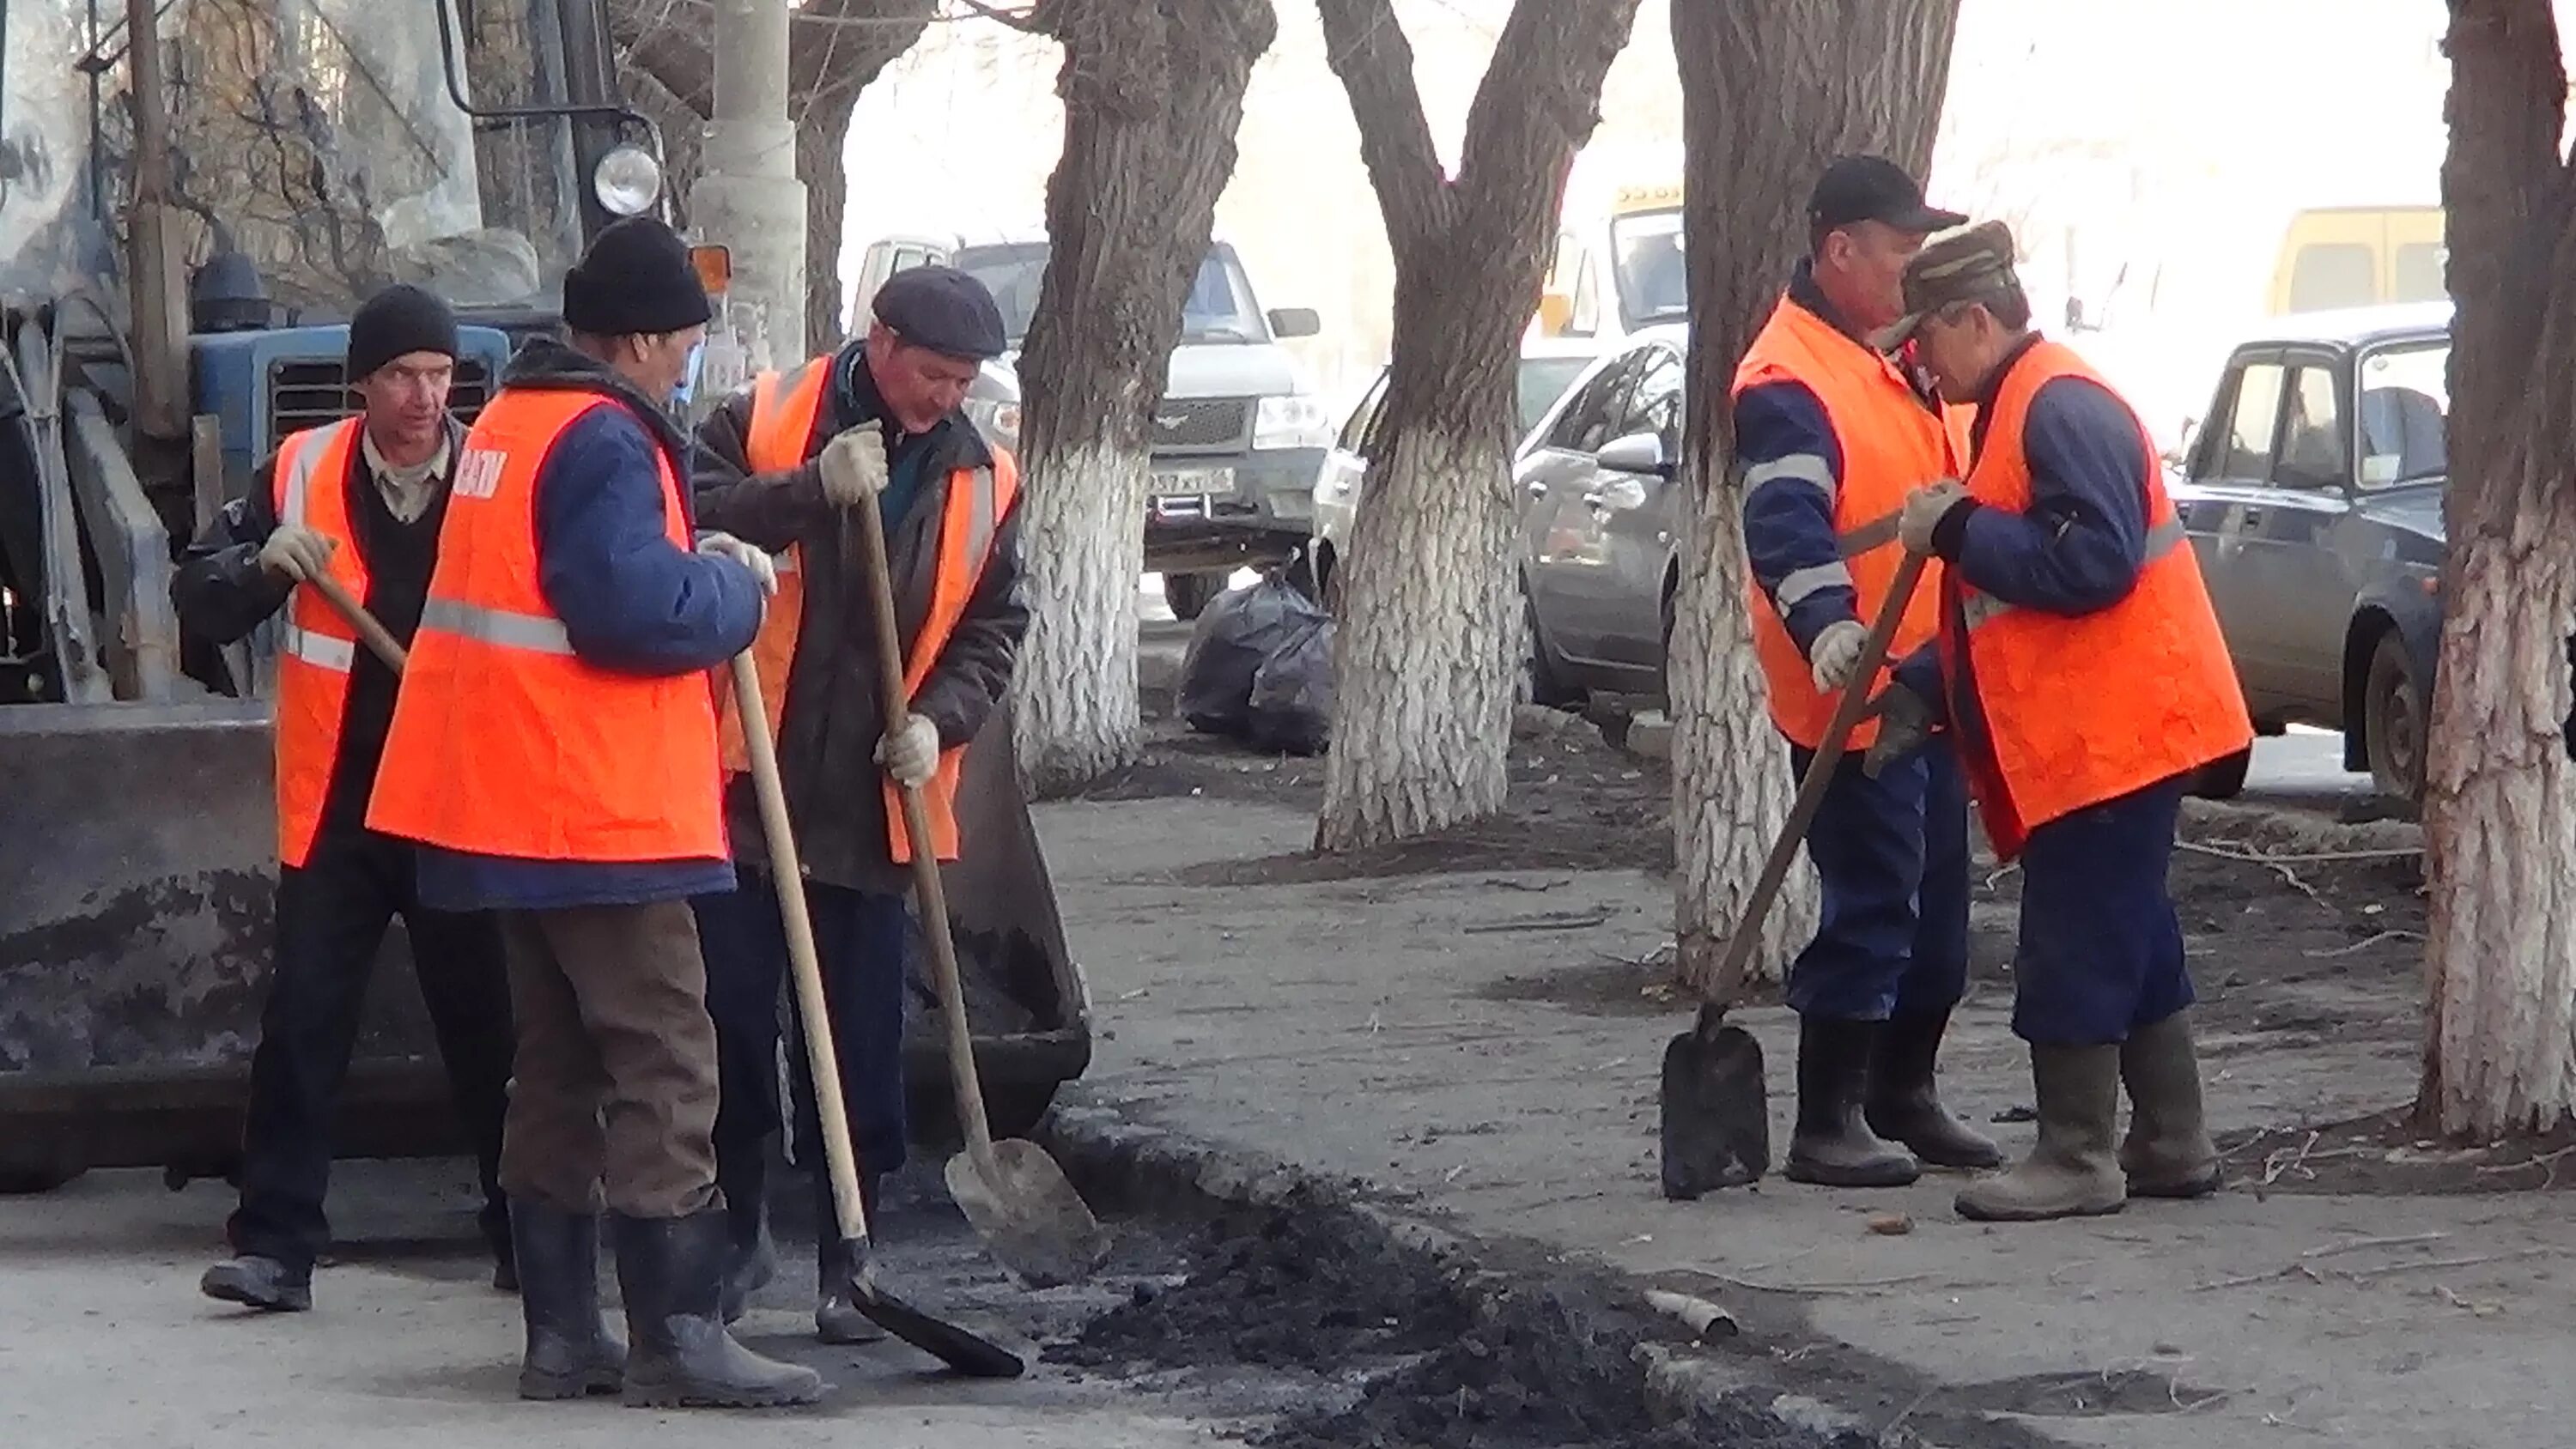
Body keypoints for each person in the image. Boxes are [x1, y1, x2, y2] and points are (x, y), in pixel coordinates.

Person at [366, 217, 823, 1407]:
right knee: (667, 1052)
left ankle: (563, 1337)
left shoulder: (512, 424)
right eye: (679, 347)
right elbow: (623, 611)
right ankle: (677, 1332)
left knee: (558, 1063)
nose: (685, 368)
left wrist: (692, 552)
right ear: (633, 340)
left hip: (503, 803)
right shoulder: (608, 438)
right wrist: (732, 584)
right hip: (591, 808)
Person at [1871, 220, 2252, 1223]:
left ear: (1975, 318)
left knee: (2075, 936)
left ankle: (2077, 1155)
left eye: (1925, 335)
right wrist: (1926, 675)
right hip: (2112, 728)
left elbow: (2090, 565)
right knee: (2133, 932)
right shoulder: (2019, 405)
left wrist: (1955, 527)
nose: (1916, 356)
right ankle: (2172, 1138)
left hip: (2114, 735)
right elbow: (2011, 611)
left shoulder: (2058, 405)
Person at [689, 264, 1026, 1340]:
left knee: (861, 1038)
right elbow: (685, 514)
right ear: (876, 342)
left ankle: (852, 1249)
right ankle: (740, 1228)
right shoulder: (769, 417)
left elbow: (992, 627)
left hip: (873, 805)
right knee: (735, 1022)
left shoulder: (986, 478)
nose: (945, 398)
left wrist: (941, 718)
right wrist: (805, 491)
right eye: (932, 373)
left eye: (963, 380)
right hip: (749, 788)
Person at [174, 284, 517, 1313]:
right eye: (405, 375)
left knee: (490, 1024)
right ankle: (276, 1246)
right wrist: (260, 565)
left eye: (441, 374)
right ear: (362, 381)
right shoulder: (302, 469)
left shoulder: (494, 474)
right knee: (306, 1019)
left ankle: (526, 1232)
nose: (425, 395)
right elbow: (198, 588)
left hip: (457, 792)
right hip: (339, 801)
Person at [1732, 155, 1996, 1188]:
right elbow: (1786, 521)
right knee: (1875, 901)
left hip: (1927, 684)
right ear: (1839, 250)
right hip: (1848, 688)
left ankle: (1903, 1092)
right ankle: (1826, 1116)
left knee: (1937, 913)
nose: (1913, 270)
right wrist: (1830, 631)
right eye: (1899, 251)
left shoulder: (1890, 357)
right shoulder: (1788, 376)